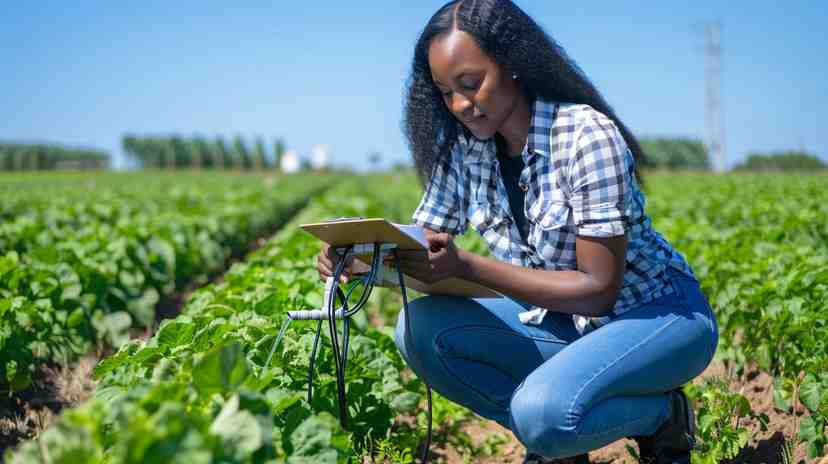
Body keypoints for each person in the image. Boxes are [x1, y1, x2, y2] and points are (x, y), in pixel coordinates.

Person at [317, 1, 719, 463]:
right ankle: (559, 442)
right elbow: (421, 243)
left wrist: (469, 264)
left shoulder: (585, 137)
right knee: (418, 329)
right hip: (568, 325)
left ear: (511, 63)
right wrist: (359, 258)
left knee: (542, 414)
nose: (460, 105)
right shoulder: (465, 151)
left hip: (656, 318)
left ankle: (660, 417)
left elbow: (598, 291)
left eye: (470, 84)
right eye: (446, 92)